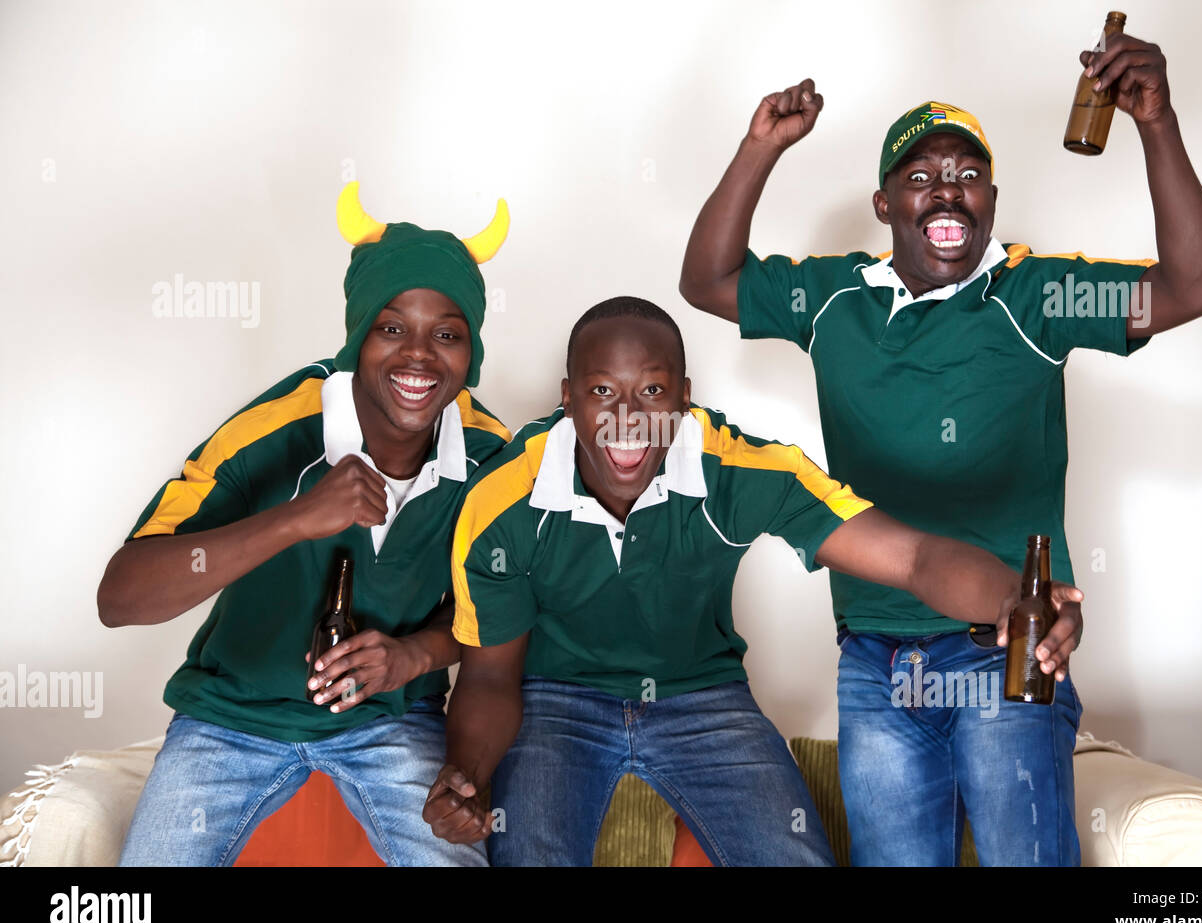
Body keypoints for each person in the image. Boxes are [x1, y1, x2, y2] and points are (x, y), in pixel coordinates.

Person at [678, 32, 1202, 865]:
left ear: (993, 201)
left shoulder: (1036, 294)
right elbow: (707, 281)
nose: (948, 192)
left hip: (1007, 650)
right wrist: (761, 149)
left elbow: (1195, 286)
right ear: (885, 203)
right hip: (874, 658)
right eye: (924, 177)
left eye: (968, 177)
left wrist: (1156, 122)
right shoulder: (833, 299)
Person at [420, 296, 1082, 866]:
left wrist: (1014, 595)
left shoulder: (738, 467)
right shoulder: (501, 504)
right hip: (557, 702)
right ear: (568, 398)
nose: (627, 416)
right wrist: (468, 776)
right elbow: (487, 678)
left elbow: (909, 557)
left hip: (703, 700)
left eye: (650, 391)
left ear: (683, 395)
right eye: (601, 392)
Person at [99, 184, 512, 866]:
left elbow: (496, 624)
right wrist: (296, 518)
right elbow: (121, 597)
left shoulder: (493, 459)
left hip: (390, 719)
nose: (419, 356)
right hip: (233, 718)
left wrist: (409, 658)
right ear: (357, 336)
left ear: (472, 351)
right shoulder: (273, 431)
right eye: (391, 328)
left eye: (447, 333)